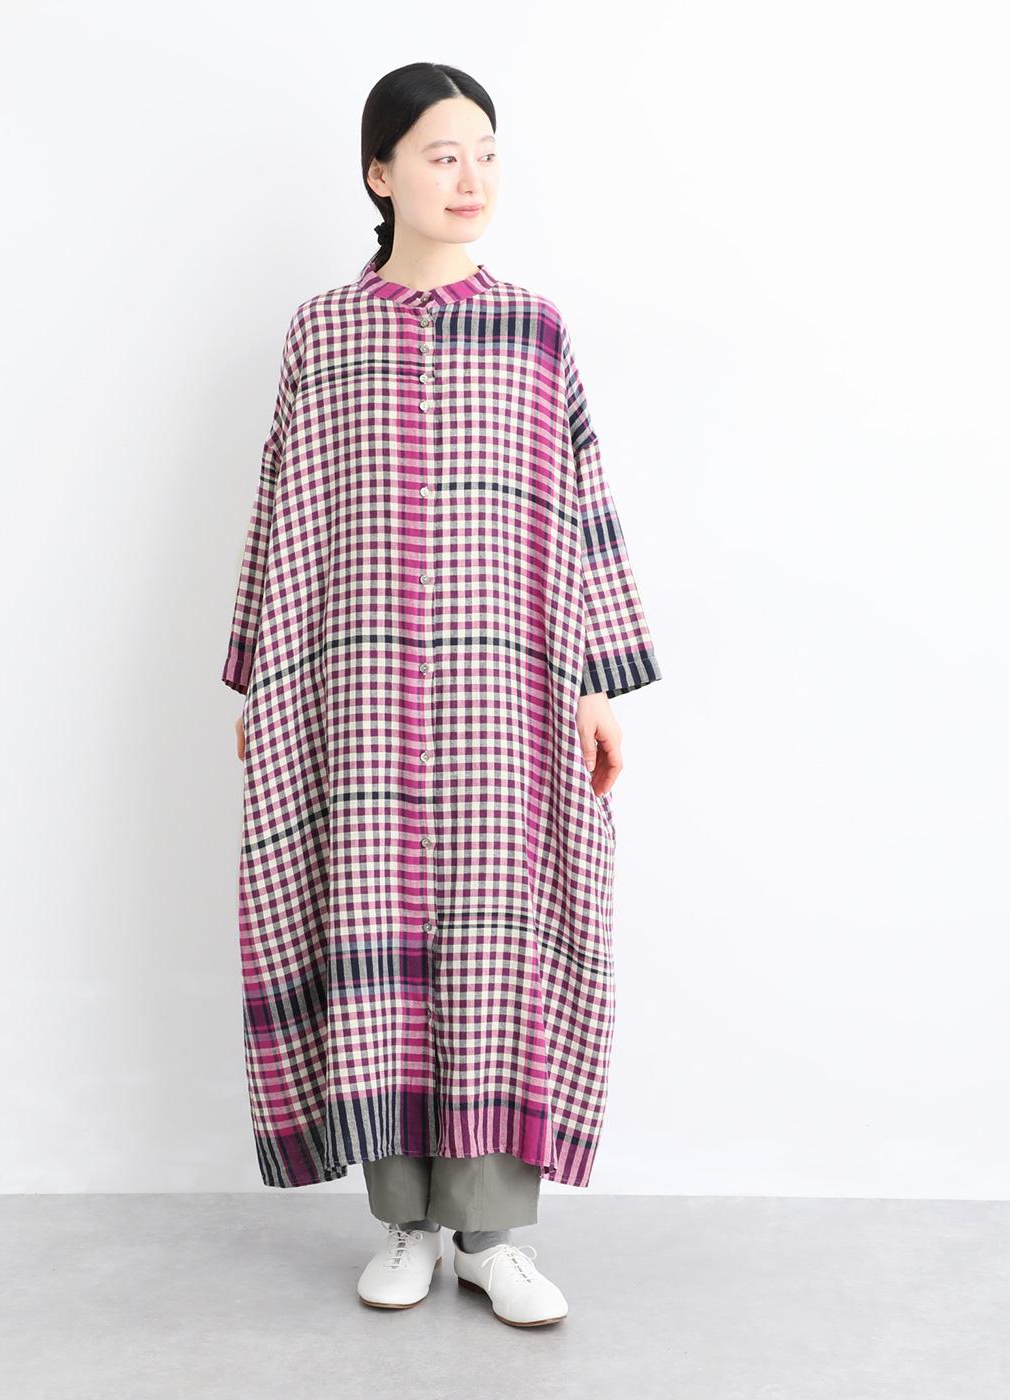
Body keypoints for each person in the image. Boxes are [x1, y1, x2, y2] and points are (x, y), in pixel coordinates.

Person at [222, 62, 662, 1329]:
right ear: (380, 174)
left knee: (495, 934)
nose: (471, 178)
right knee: (372, 922)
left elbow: (579, 505)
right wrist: (266, 677)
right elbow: (285, 506)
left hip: (505, 690)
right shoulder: (323, 332)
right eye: (440, 153)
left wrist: (598, 683)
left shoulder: (534, 329)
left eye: (486, 153)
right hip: (359, 690)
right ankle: (407, 1223)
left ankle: (490, 1234)